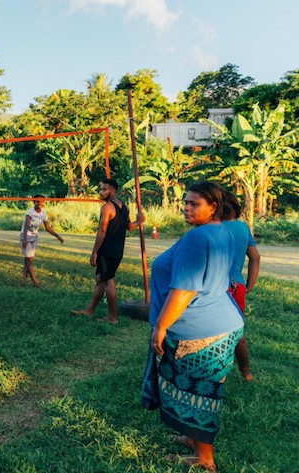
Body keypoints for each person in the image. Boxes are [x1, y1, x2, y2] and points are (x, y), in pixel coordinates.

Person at [141, 182, 244, 472]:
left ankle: (205, 458)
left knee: (200, 395)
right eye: (185, 202)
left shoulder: (197, 238)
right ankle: (192, 438)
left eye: (194, 204)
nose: (186, 207)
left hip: (201, 330)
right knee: (192, 389)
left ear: (214, 207)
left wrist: (161, 326)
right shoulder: (221, 231)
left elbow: (185, 289)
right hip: (222, 322)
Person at [71, 178, 144, 324]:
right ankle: (89, 310)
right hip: (117, 251)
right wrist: (138, 221)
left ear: (113, 191)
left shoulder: (107, 208)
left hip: (107, 251)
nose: (101, 192)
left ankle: (112, 318)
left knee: (109, 281)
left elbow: (102, 231)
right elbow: (129, 226)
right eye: (100, 189)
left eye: (104, 189)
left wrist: (94, 252)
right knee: (100, 279)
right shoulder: (124, 207)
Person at [222, 192, 260, 381]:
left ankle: (216, 370)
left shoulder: (211, 227)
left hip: (215, 286)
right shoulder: (243, 228)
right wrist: (249, 285)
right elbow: (255, 258)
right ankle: (246, 372)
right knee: (237, 331)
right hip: (237, 286)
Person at [20, 195, 64, 287]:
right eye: (37, 201)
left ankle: (23, 280)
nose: (39, 203)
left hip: (34, 238)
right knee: (29, 260)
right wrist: (24, 240)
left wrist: (58, 236)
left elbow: (47, 228)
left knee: (27, 260)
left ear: (44, 202)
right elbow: (26, 227)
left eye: (41, 201)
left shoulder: (43, 213)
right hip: (26, 238)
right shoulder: (30, 212)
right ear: (34, 202)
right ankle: (35, 282)